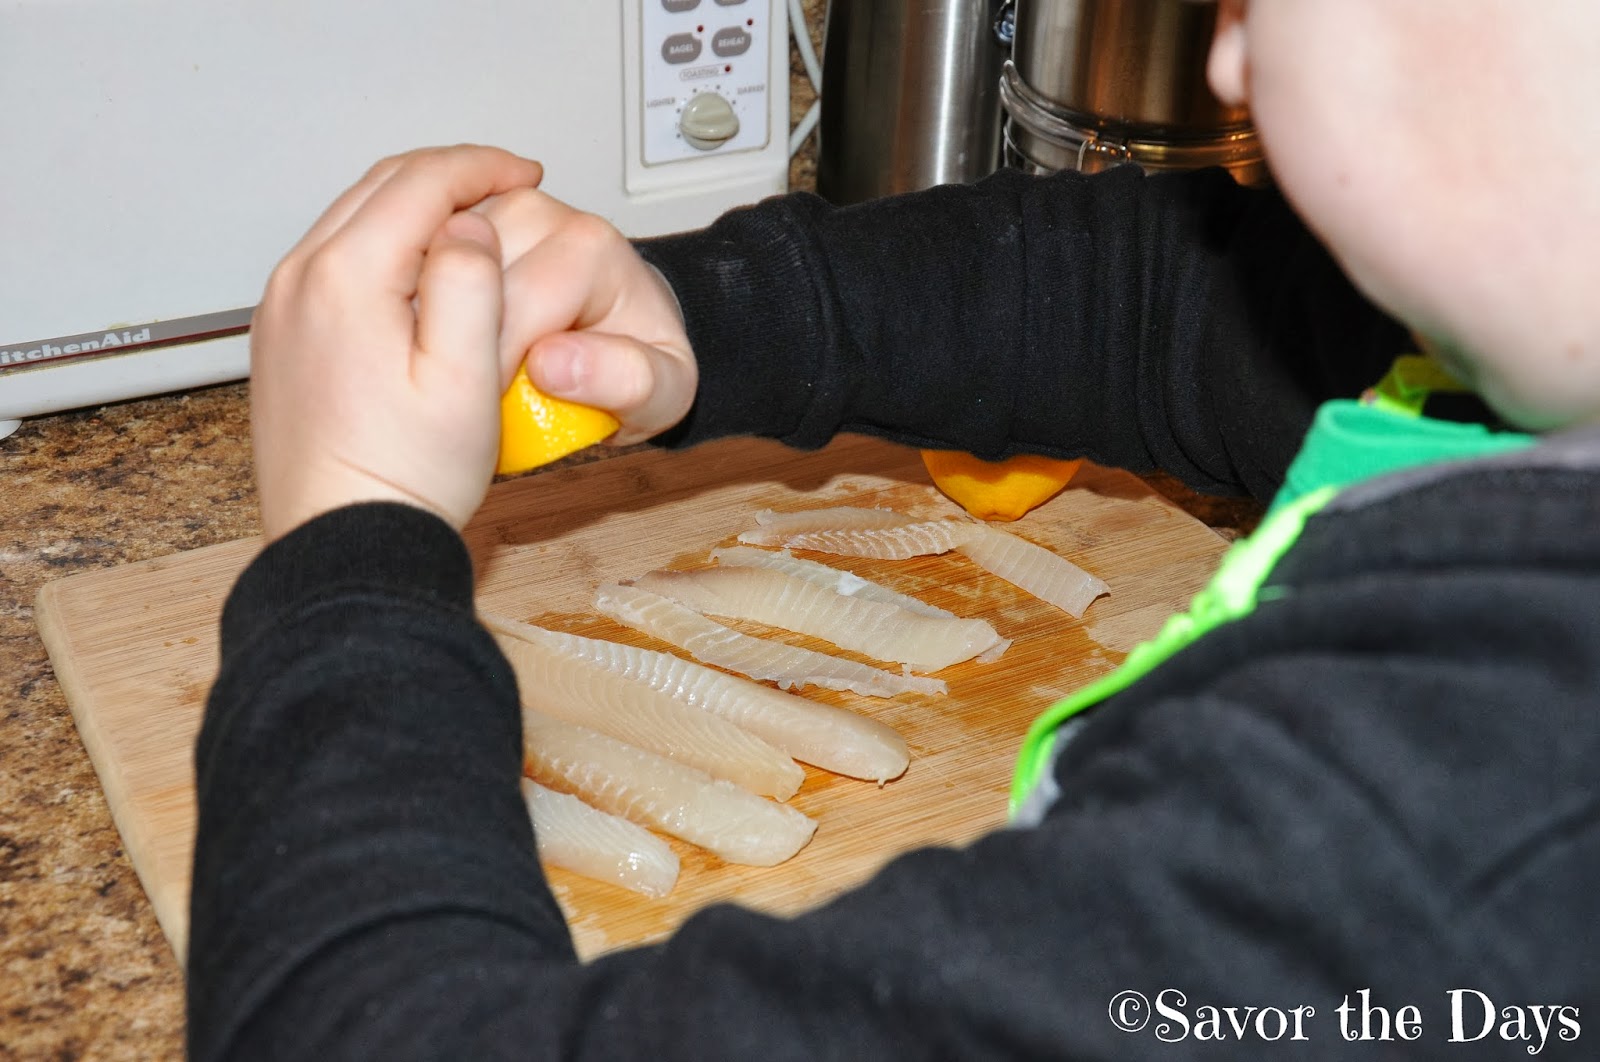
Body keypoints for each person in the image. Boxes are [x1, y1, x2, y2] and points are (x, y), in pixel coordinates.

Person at [186, 0, 1600, 1057]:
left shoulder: (1435, 829)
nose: (1228, 56)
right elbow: (1162, 311)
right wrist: (703, 321)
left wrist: (350, 537)